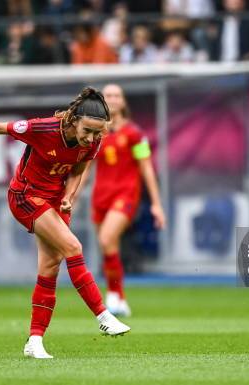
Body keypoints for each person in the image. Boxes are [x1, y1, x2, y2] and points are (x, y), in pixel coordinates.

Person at [0, 87, 130, 359]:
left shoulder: (93, 140)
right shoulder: (43, 129)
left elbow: (78, 170)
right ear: (73, 120)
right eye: (87, 131)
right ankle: (103, 315)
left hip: (54, 201)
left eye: (97, 133)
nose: (91, 139)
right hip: (25, 196)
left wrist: (69, 196)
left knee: (50, 267)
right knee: (73, 247)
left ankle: (34, 341)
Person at [79, 84, 166, 316]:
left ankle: (112, 296)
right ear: (103, 101)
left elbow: (146, 168)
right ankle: (120, 298)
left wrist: (156, 205)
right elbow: (86, 167)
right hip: (100, 197)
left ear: (123, 102)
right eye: (109, 95)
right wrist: (73, 194)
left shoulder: (135, 134)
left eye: (117, 95)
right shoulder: (97, 133)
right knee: (108, 247)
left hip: (125, 195)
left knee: (107, 238)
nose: (113, 99)